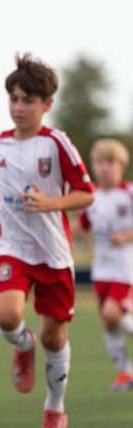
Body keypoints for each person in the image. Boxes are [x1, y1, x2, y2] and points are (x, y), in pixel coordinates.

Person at [0, 53, 94, 428]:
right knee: (7, 316)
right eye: (14, 99)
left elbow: (85, 194)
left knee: (55, 336)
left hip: (53, 252)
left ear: (47, 104)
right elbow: (0, 182)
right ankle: (23, 344)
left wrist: (52, 203)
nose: (19, 108)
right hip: (14, 247)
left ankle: (54, 409)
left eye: (28, 101)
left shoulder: (57, 143)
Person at [73, 138, 133, 391]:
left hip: (126, 268)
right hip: (102, 270)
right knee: (108, 322)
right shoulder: (91, 197)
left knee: (111, 314)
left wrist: (127, 236)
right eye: (99, 162)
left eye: (109, 162)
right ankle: (125, 374)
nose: (104, 167)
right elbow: (82, 226)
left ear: (121, 165)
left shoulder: (128, 193)